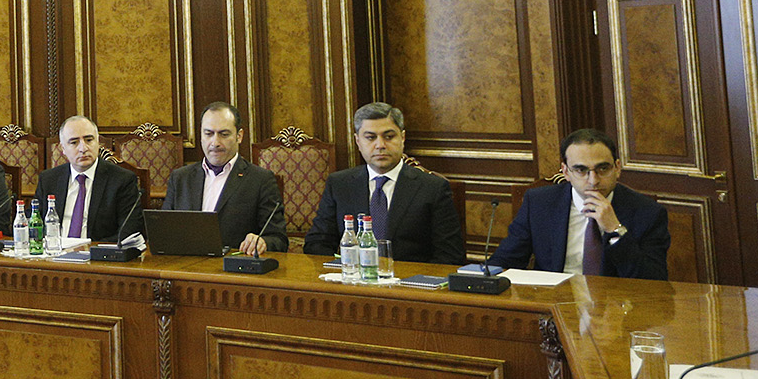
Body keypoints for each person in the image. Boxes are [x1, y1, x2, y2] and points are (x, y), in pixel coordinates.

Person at [489, 128, 670, 279]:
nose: (593, 180)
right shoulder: (539, 203)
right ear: (566, 172)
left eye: (603, 168)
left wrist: (615, 229)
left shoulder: (648, 212)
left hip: (617, 307)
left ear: (617, 168)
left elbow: (654, 281)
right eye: (581, 170)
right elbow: (505, 262)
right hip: (552, 303)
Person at [303, 102, 464, 264]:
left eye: (389, 137)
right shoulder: (339, 184)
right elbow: (317, 244)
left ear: (402, 138)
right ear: (358, 141)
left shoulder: (432, 188)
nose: (380, 145)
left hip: (409, 278)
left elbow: (450, 256)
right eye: (370, 138)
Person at [163, 102, 286, 256]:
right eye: (208, 134)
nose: (215, 143)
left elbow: (279, 239)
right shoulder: (180, 178)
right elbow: (164, 232)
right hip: (185, 265)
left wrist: (262, 242)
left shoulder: (261, 180)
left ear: (239, 136)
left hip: (234, 267)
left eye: (224, 134)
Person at [34, 115, 143, 244]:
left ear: (98, 142)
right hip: (54, 252)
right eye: (74, 142)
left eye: (89, 140)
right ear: (63, 149)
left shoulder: (122, 180)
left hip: (95, 253)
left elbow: (128, 232)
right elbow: (33, 222)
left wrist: (88, 248)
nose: (83, 148)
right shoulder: (49, 179)